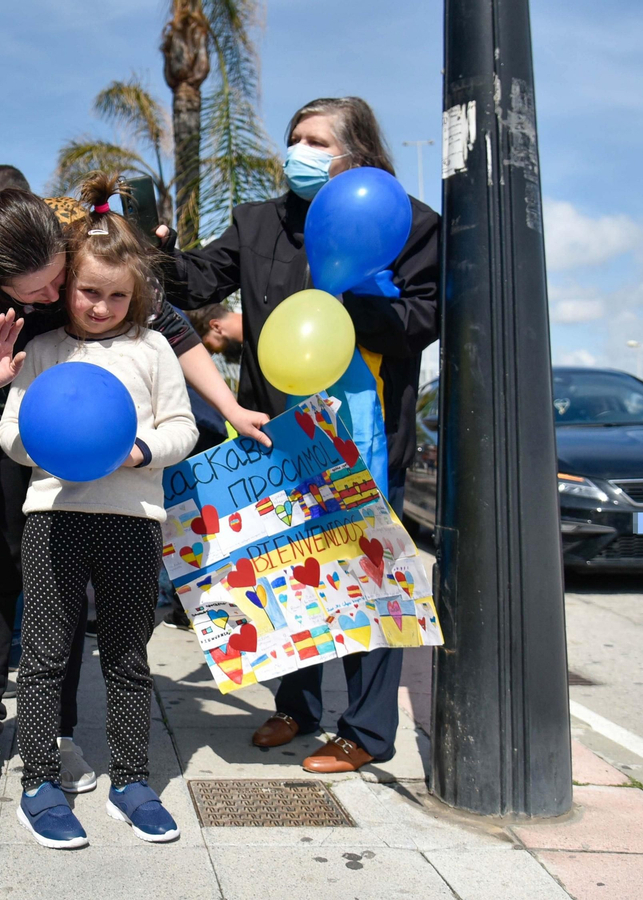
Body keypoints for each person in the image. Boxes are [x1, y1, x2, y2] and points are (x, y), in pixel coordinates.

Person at [0, 187, 270, 791]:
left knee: (63, 582)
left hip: (86, 421)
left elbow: (169, 327)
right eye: (38, 293)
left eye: (62, 281)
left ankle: (58, 731)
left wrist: (230, 408)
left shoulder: (80, 235)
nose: (55, 295)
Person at [163, 96, 440, 775]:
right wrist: (154, 253)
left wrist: (344, 303)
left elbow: (423, 320)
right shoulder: (259, 221)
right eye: (295, 137)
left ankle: (366, 732)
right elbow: (196, 279)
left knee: (369, 580)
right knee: (286, 572)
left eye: (315, 140)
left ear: (356, 154)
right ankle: (295, 707)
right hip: (279, 434)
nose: (299, 151)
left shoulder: (409, 222)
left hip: (366, 436)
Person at [0, 174, 196, 849]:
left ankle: (132, 780)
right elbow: (10, 432)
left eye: (117, 295)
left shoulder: (154, 348)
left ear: (135, 292)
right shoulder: (44, 352)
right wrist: (46, 445)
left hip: (132, 519)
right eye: (89, 292)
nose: (102, 306)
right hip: (54, 517)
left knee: (127, 655)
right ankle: (39, 782)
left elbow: (182, 428)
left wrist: (140, 450)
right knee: (45, 656)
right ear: (67, 287)